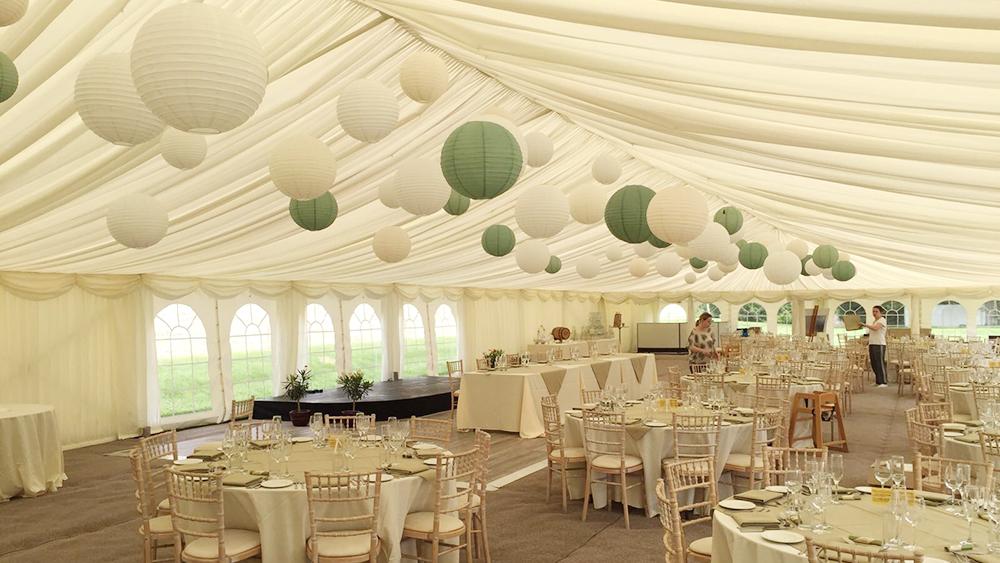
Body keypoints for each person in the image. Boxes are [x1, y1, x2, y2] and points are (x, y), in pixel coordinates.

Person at [861, 305, 888, 387]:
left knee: (880, 363)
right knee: (874, 363)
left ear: (881, 312)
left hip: (879, 344)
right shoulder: (874, 321)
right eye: (873, 311)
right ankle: (878, 381)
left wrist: (865, 325)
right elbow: (873, 332)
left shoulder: (882, 320)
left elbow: (876, 328)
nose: (874, 313)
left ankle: (883, 382)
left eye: (876, 311)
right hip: (872, 343)